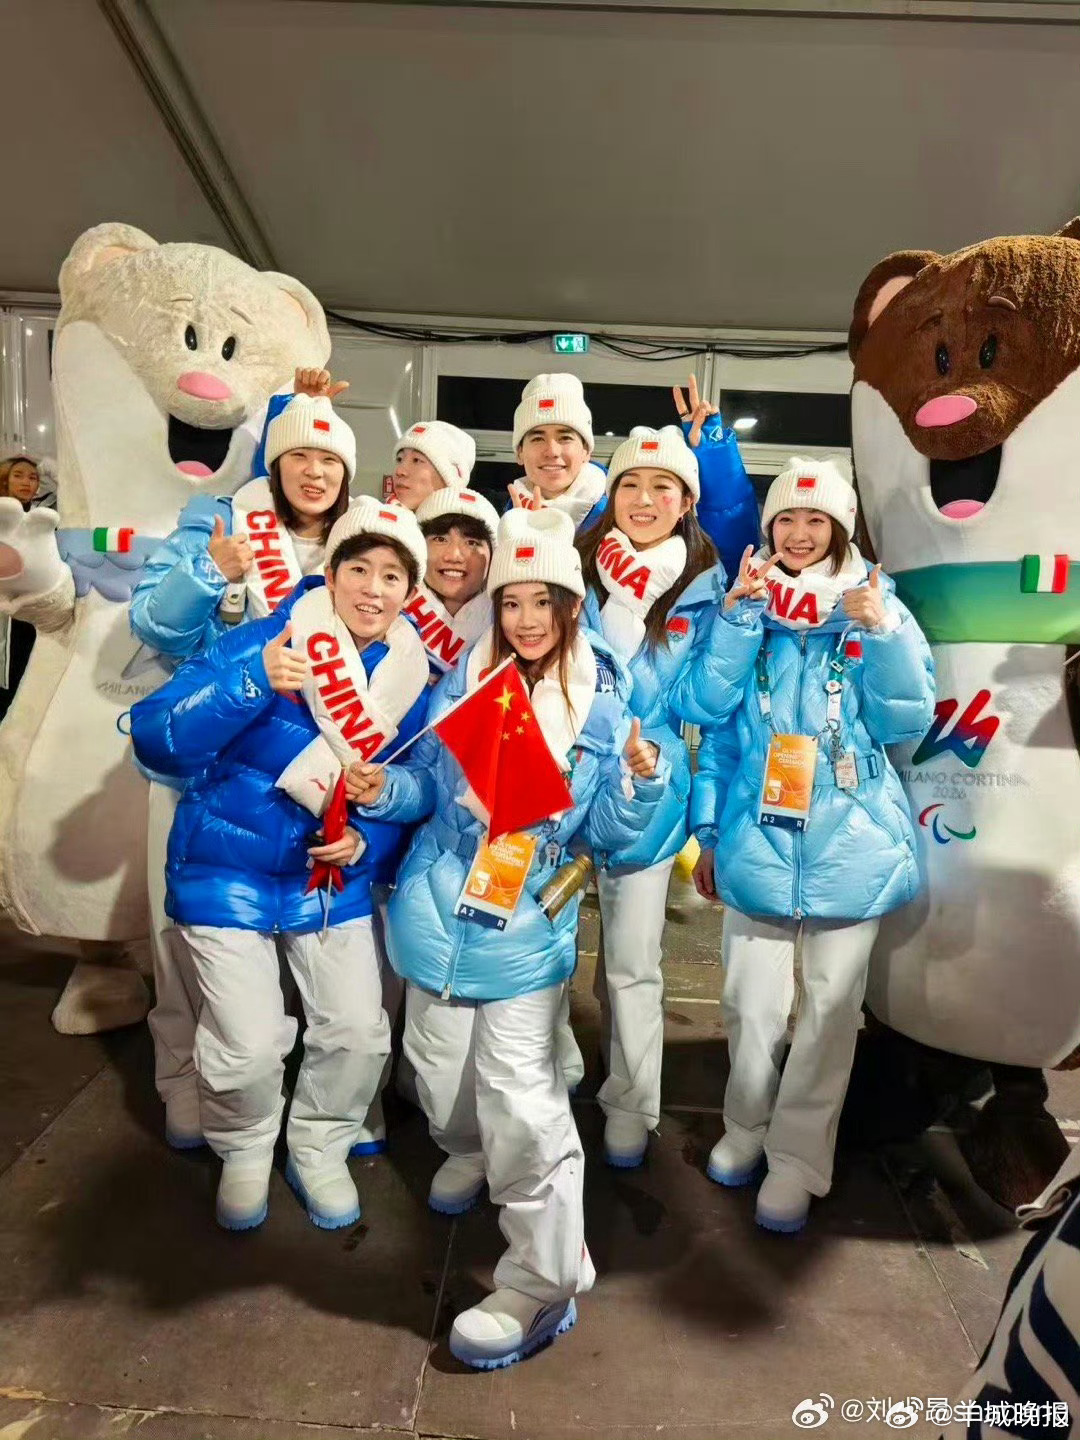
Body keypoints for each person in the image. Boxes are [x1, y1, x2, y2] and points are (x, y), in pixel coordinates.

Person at [348, 505, 665, 1369]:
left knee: (523, 1097)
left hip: (526, 922)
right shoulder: (464, 679)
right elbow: (425, 785)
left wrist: (639, 784)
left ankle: (544, 1279)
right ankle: (470, 1151)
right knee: (439, 1071)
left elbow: (605, 835)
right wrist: (384, 790)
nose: (525, 619)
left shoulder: (604, 705)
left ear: (571, 605)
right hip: (437, 910)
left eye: (543, 601)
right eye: (512, 601)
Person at [129, 497, 430, 1233]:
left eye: (393, 576)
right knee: (249, 1043)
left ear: (409, 592)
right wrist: (253, 680)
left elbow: (418, 785)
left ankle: (319, 1145)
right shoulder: (269, 637)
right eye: (359, 568)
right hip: (222, 869)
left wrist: (368, 839)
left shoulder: (412, 676)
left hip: (327, 880)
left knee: (358, 1031)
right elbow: (156, 736)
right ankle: (244, 1146)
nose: (373, 589)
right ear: (331, 572)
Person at [691, 456, 934, 1233]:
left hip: (852, 841)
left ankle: (798, 1159)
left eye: (816, 519)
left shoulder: (874, 604)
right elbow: (709, 716)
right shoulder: (749, 604)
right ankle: (745, 1126)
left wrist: (882, 631)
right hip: (755, 836)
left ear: (840, 528)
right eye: (786, 519)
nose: (799, 533)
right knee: (748, 1002)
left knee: (830, 1013)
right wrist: (708, 834)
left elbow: (906, 721)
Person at [129, 378, 357, 1155]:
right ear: (274, 463)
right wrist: (210, 572)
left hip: (302, 775)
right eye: (299, 456)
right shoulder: (223, 520)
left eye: (330, 459)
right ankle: (181, 1078)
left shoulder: (357, 539)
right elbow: (155, 624)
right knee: (184, 939)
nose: (314, 472)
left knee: (290, 950)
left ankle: (271, 1094)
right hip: (206, 764)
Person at [575, 425, 727, 1167]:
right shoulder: (577, 565)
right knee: (539, 954)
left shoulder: (706, 587)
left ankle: (631, 1104)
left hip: (650, 782)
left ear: (686, 502)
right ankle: (544, 1075)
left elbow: (704, 701)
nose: (643, 498)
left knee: (632, 963)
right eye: (629, 483)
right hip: (565, 778)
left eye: (662, 485)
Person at [407, 486, 501, 680]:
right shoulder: (392, 606)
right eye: (440, 539)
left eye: (472, 542)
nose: (454, 556)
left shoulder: (506, 616)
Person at [507, 374, 607, 529]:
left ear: (586, 451)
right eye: (538, 439)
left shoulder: (619, 515)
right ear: (519, 452)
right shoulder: (507, 520)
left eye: (565, 438)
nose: (552, 451)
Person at [0, 456, 45, 723]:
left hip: (31, 613)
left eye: (33, 477)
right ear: (5, 479)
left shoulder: (41, 519)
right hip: (4, 612)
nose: (26, 482)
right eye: (18, 475)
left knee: (23, 678)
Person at [388, 420, 476, 511]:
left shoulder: (468, 520)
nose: (399, 471)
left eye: (416, 460)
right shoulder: (381, 517)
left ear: (449, 478)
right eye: (399, 459)